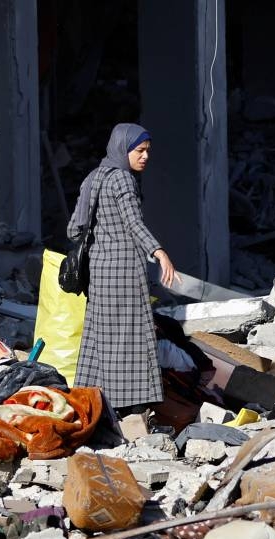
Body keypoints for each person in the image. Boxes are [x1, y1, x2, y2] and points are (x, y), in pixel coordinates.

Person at [68, 123, 180, 415]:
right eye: (140, 150)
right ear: (123, 148)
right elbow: (133, 223)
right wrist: (159, 251)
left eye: (147, 151)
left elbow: (74, 227)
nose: (145, 157)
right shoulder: (122, 180)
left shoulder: (94, 177)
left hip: (99, 273)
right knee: (128, 339)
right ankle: (129, 406)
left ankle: (92, 403)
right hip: (123, 274)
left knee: (99, 339)